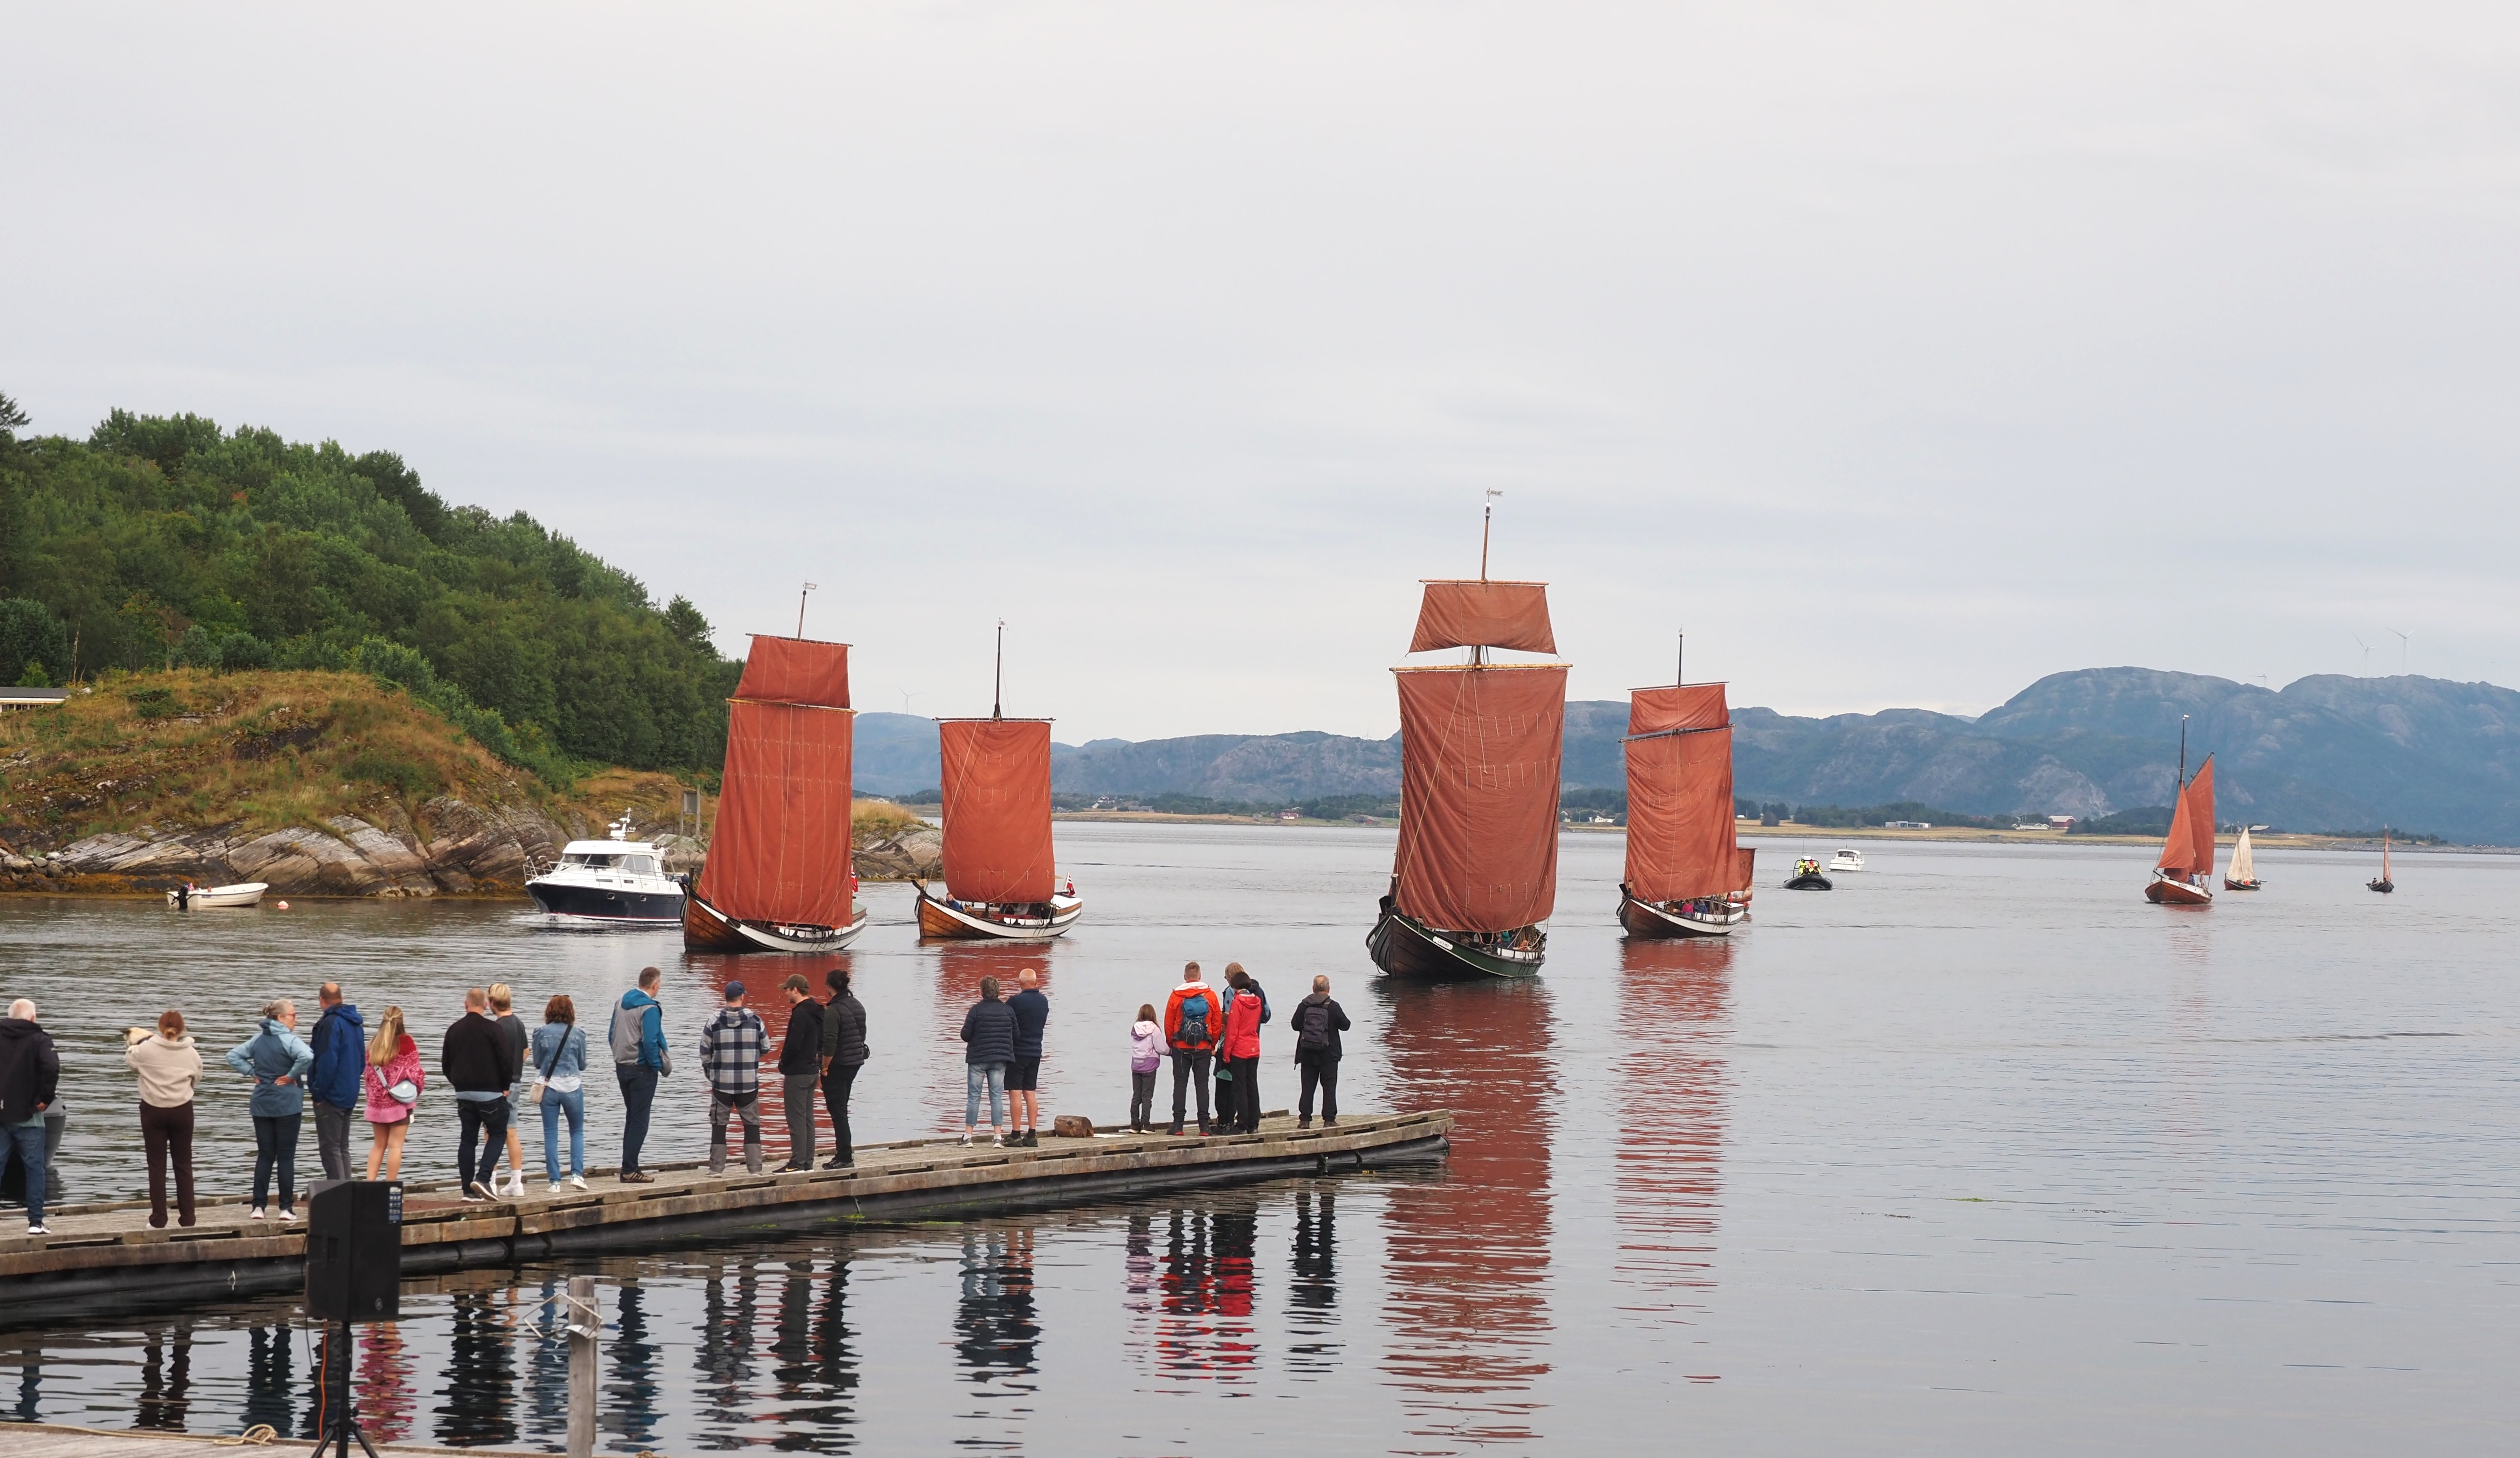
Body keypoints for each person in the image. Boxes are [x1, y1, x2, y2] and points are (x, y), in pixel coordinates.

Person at [226, 999, 314, 1221]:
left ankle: (258, 1207)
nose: (296, 1019)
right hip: (288, 1105)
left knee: (265, 1155)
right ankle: (285, 1208)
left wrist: (251, 1072)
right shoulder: (289, 1040)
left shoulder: (257, 1040)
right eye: (293, 1015)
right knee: (286, 1157)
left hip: (262, 1104)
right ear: (281, 1018)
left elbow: (233, 1056)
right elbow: (308, 1056)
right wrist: (292, 1075)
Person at [125, 1010, 203, 1228]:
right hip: (182, 1110)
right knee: (184, 1165)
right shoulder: (192, 1053)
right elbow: (197, 1077)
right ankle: (188, 1218)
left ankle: (159, 1219)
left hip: (153, 1109)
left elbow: (130, 1062)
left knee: (157, 1166)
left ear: (160, 1028)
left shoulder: (145, 1049)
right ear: (182, 1029)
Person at [441, 988, 513, 1202]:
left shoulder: (453, 1030)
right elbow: (505, 1060)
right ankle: (483, 1178)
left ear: (466, 1005)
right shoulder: (493, 1029)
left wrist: (458, 1083)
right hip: (490, 1092)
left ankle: (467, 1191)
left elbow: (446, 1064)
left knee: (468, 1139)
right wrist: (505, 1085)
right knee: (499, 1132)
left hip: (463, 1093)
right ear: (486, 1005)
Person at [0, 1000, 61, 1235]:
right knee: (35, 1168)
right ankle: (35, 1222)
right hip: (29, 1115)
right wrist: (45, 1099)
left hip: (2, 1113)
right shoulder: (40, 1039)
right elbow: (51, 1067)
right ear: (33, 1018)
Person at [700, 982, 768, 1176]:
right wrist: (749, 1060)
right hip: (748, 1083)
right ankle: (755, 1169)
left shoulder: (713, 1021)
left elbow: (705, 1052)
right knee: (752, 1125)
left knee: (719, 1125)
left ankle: (716, 1169)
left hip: (722, 1083)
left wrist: (712, 1074)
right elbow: (766, 1047)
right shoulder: (755, 1020)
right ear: (742, 997)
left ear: (726, 998)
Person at [609, 967, 669, 1184]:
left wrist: (618, 1056)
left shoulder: (621, 1001)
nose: (660, 987)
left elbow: (611, 1033)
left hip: (622, 1066)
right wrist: (656, 1066)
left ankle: (628, 1166)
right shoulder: (649, 1008)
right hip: (642, 1070)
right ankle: (630, 1169)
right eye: (660, 983)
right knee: (640, 1121)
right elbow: (650, 1041)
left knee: (631, 1117)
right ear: (654, 985)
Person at [306, 982, 366, 1183]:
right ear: (341, 998)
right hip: (350, 1091)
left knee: (330, 1147)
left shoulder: (330, 1023)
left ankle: (339, 1193)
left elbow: (326, 1060)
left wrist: (318, 1093)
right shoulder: (355, 1024)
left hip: (331, 1094)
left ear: (321, 1000)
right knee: (343, 1147)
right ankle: (347, 1188)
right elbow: (361, 1060)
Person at [529, 995, 589, 1192]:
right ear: (571, 1012)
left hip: (549, 1087)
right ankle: (577, 1175)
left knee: (550, 1133)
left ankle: (555, 1182)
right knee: (577, 1131)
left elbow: (538, 1063)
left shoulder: (541, 1033)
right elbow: (582, 1065)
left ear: (549, 1011)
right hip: (572, 1086)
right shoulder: (578, 1034)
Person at [363, 1006, 422, 1180]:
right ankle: (390, 1188)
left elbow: (368, 1076)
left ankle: (369, 1185)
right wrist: (416, 1089)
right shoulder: (406, 1043)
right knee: (395, 1147)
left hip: (376, 1103)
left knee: (378, 1146)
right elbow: (416, 1074)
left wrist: (375, 1098)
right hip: (399, 1103)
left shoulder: (374, 1043)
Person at [817, 967, 868, 1170]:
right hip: (855, 1063)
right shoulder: (857, 1005)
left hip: (837, 1065)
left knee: (838, 1112)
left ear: (829, 987)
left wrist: (825, 1067)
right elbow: (861, 1035)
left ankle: (845, 1157)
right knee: (842, 1108)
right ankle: (843, 1153)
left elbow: (830, 1042)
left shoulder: (833, 1011)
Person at [774, 974, 824, 1173]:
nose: (785, 993)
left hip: (797, 1073)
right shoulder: (819, 1012)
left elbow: (793, 1045)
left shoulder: (800, 1014)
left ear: (795, 990)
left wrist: (783, 1062)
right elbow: (822, 1042)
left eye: (787, 989)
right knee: (808, 1119)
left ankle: (797, 1162)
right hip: (812, 1070)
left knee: (796, 1119)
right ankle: (807, 1163)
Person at [958, 976, 1015, 1147]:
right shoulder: (1008, 1011)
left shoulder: (976, 1011)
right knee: (997, 1097)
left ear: (982, 992)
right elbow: (1016, 1035)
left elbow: (965, 1035)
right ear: (998, 991)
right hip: (1000, 1059)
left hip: (978, 1059)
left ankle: (968, 1136)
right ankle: (998, 1137)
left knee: (974, 1097)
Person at [1162, 964, 1219, 1135]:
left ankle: (1178, 1126)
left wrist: (1172, 1043)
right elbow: (1217, 1023)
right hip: (1203, 1047)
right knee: (1202, 1086)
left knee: (1180, 1085)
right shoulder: (1210, 995)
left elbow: (1168, 1023)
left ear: (1185, 977)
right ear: (1200, 976)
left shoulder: (1176, 996)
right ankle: (1204, 1127)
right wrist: (1212, 1044)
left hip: (1181, 1047)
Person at [1290, 975, 1352, 1128]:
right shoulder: (1333, 1006)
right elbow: (1346, 1025)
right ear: (1328, 989)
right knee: (1329, 1087)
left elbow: (1294, 1025)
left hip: (1307, 1053)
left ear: (1313, 988)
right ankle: (1329, 1120)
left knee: (1308, 1087)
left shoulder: (1304, 1005)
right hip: (1329, 1054)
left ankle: (1305, 1120)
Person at [488, 984, 530, 1199]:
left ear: (493, 1003)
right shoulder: (519, 1023)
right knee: (511, 1133)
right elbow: (525, 1051)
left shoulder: (497, 1027)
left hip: (498, 1086)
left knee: (491, 1133)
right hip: (516, 1084)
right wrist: (517, 1068)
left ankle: (491, 1181)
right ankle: (516, 1182)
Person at [1218, 966, 1268, 1135]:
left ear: (1234, 986)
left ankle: (1242, 1123)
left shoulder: (1238, 1002)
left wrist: (1226, 1054)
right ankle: (1254, 1122)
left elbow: (1233, 1030)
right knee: (1252, 1085)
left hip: (1240, 1049)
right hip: (1254, 1047)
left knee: (1240, 1087)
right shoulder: (1257, 1001)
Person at [1005, 968, 1050, 1147]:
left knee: (1015, 1092)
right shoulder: (1044, 1001)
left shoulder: (1015, 1001)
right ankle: (1032, 1134)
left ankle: (1016, 1134)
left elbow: (1005, 1018)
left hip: (1017, 1053)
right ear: (1036, 982)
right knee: (1030, 1092)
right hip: (1035, 1052)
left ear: (1020, 983)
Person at [1128, 1003, 1167, 1133]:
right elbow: (1162, 1048)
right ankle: (1146, 1124)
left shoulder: (1134, 1029)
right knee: (1147, 1096)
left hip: (1136, 1065)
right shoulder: (1154, 1029)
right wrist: (1172, 1052)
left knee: (1136, 1095)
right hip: (1149, 1066)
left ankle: (1134, 1124)